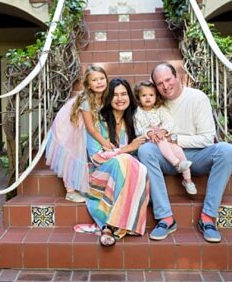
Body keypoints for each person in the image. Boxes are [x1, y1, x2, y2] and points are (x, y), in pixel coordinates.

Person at [137, 62, 232, 243]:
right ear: (154, 85)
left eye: (168, 79)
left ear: (178, 76)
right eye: (159, 83)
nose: (165, 86)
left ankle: (208, 217)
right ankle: (165, 218)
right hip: (167, 157)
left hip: (197, 157)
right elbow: (141, 126)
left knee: (227, 150)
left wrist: (174, 138)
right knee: (146, 149)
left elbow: (206, 138)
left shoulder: (197, 98)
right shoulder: (153, 101)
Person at [85, 78, 149, 246]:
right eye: (115, 95)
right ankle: (114, 224)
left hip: (127, 171)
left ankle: (111, 225)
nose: (120, 99)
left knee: (132, 164)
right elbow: (96, 157)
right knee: (124, 160)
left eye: (124, 94)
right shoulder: (98, 121)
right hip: (101, 173)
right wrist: (126, 149)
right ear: (108, 98)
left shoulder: (135, 120)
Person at [46, 65, 114, 203]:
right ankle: (70, 192)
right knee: (71, 154)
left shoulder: (104, 97)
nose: (99, 82)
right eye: (95, 80)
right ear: (88, 85)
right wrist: (104, 142)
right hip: (69, 127)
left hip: (83, 126)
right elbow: (91, 128)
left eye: (102, 78)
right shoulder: (86, 101)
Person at [133, 80, 196, 195]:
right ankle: (177, 164)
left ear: (156, 97)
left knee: (178, 149)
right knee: (160, 140)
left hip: (163, 137)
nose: (147, 98)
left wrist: (163, 130)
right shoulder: (138, 112)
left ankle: (188, 180)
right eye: (144, 95)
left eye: (151, 95)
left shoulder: (160, 109)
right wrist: (149, 133)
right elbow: (139, 129)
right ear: (138, 98)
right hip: (149, 141)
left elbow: (169, 122)